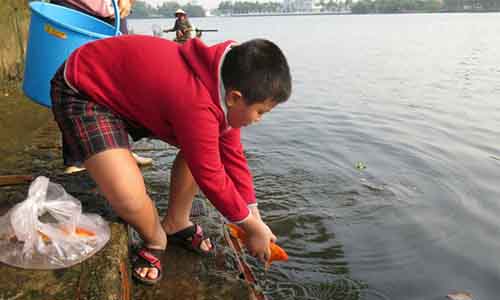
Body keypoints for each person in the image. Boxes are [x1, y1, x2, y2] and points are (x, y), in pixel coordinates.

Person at [50, 35, 292, 285]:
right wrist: (251, 228)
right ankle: (156, 239)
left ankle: (176, 222)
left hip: (132, 94)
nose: (259, 119)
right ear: (234, 98)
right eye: (261, 112)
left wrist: (254, 215)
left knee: (203, 146)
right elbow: (211, 177)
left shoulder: (221, 83)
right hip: (85, 90)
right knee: (129, 198)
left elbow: (233, 157)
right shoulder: (196, 102)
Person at [50, 0, 153, 173]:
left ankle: (122, 150)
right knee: (73, 77)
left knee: (117, 81)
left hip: (112, 11)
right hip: (73, 6)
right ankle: (75, 157)